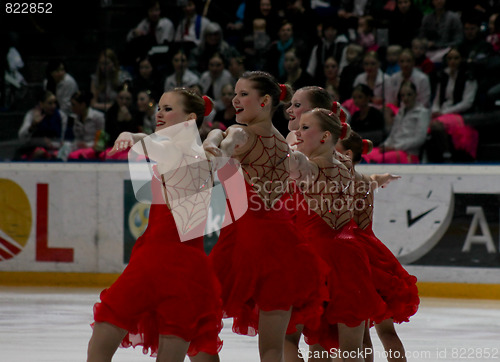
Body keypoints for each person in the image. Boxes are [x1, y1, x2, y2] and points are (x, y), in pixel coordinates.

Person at [87, 88, 223, 362]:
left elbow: (152, 145)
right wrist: (216, 136)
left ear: (190, 118)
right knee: (196, 346)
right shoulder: (202, 151)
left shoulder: (182, 150)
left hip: (164, 261)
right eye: (159, 107)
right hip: (179, 263)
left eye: (168, 108)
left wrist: (134, 137)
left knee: (107, 328)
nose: (159, 113)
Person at [202, 71, 327, 362]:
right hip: (285, 245)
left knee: (195, 324)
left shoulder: (240, 133)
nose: (235, 99)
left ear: (265, 100)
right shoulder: (286, 145)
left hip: (245, 243)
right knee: (272, 348)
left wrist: (213, 139)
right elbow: (306, 174)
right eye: (235, 93)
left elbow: (225, 149)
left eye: (244, 94)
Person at [288, 108, 387, 361]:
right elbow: (365, 181)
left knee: (289, 340)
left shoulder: (309, 166)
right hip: (349, 256)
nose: (298, 131)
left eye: (305, 127)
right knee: (351, 346)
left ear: (325, 137)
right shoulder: (344, 164)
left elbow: (298, 165)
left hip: (316, 258)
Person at [337, 131, 420, 362]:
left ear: (347, 154)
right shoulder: (365, 180)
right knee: (386, 330)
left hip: (356, 257)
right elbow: (375, 179)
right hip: (376, 254)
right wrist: (384, 176)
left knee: (360, 333)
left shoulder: (340, 182)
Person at [427, 48, 479, 163]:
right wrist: (435, 110)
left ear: (461, 59)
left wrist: (444, 112)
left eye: (456, 58)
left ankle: (447, 154)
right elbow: (437, 99)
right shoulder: (443, 76)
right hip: (443, 113)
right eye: (450, 58)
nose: (453, 61)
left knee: (436, 125)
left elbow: (467, 103)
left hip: (460, 115)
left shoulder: (468, 77)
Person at [363, 81, 430, 164]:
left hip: (409, 153)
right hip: (393, 148)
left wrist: (395, 147)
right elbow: (393, 134)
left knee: (378, 159)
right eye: (403, 95)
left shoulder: (422, 112)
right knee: (365, 154)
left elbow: (419, 139)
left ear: (416, 94)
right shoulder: (401, 111)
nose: (406, 98)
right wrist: (385, 145)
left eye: (409, 94)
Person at [15, 90, 67, 161]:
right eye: (50, 103)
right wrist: (33, 125)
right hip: (34, 148)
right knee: (40, 152)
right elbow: (21, 136)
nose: (53, 106)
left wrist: (51, 144)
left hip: (55, 149)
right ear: (41, 104)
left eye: (55, 103)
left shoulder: (61, 116)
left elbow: (62, 140)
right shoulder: (32, 114)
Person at [125, 0, 175, 65]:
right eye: (151, 10)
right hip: (147, 55)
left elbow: (164, 46)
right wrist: (134, 33)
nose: (154, 13)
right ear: (147, 12)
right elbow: (128, 39)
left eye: (156, 10)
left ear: (160, 11)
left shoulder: (167, 24)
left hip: (162, 56)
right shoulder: (145, 23)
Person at [66, 91, 105, 161]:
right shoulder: (76, 118)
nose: (72, 107)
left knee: (75, 155)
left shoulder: (98, 117)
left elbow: (101, 140)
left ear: (83, 105)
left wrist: (88, 145)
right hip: (79, 148)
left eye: (74, 105)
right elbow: (77, 138)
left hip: (94, 150)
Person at [306, 19, 349, 84]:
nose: (330, 33)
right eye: (327, 30)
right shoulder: (318, 47)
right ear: (324, 31)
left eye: (332, 30)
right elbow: (311, 69)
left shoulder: (343, 47)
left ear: (337, 31)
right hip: (320, 81)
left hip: (338, 81)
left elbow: (343, 67)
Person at [90, 48, 132, 113]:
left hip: (118, 112)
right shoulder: (96, 78)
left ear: (114, 63)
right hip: (100, 112)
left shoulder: (123, 77)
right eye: (101, 63)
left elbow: (124, 102)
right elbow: (93, 103)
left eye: (107, 63)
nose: (103, 66)